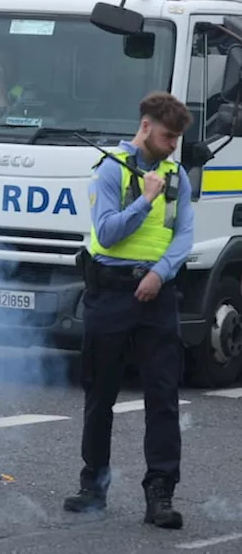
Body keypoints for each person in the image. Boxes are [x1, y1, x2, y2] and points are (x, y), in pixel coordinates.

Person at [65, 92, 194, 530]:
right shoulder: (110, 171)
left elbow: (183, 234)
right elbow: (107, 232)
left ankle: (160, 494)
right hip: (111, 293)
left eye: (177, 138)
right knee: (100, 395)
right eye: (167, 136)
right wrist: (143, 201)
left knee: (163, 397)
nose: (173, 145)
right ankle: (92, 487)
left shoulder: (177, 176)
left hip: (157, 295)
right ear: (145, 127)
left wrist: (160, 273)